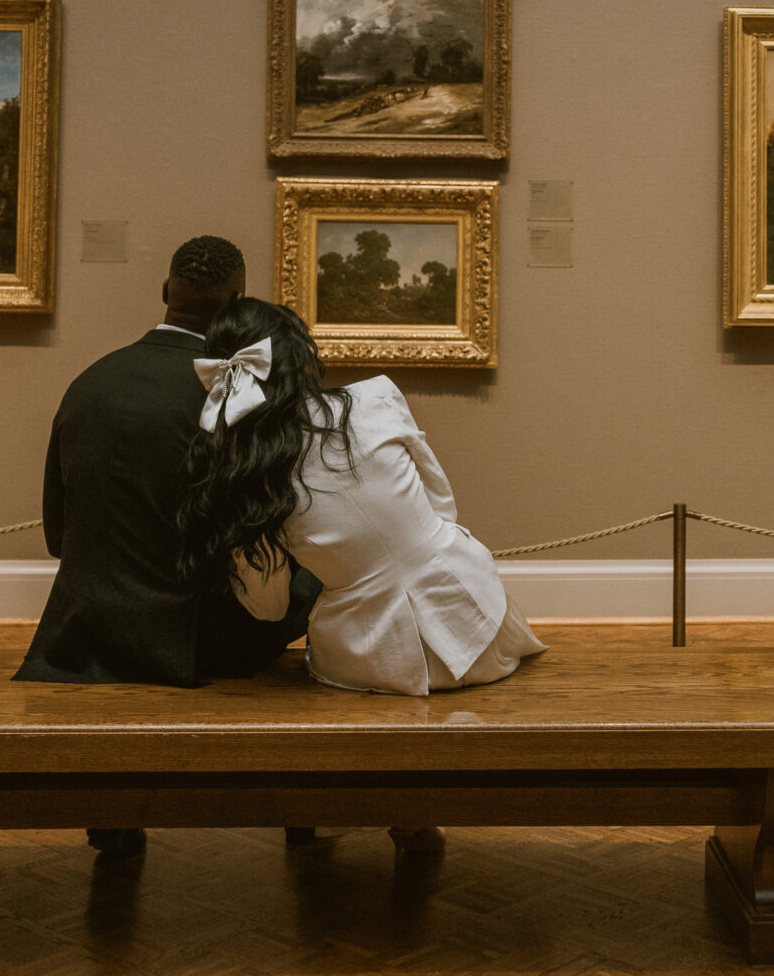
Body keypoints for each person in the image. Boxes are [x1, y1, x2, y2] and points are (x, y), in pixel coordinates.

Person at [182, 297, 545, 697]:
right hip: (477, 622)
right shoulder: (378, 397)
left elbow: (270, 607)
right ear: (300, 355)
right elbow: (441, 499)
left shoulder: (247, 481)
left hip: (368, 658)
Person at [19, 236, 321, 689]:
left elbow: (58, 534)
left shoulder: (88, 384)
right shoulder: (233, 399)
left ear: (165, 290)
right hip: (191, 643)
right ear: (236, 302)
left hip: (78, 634)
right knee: (317, 564)